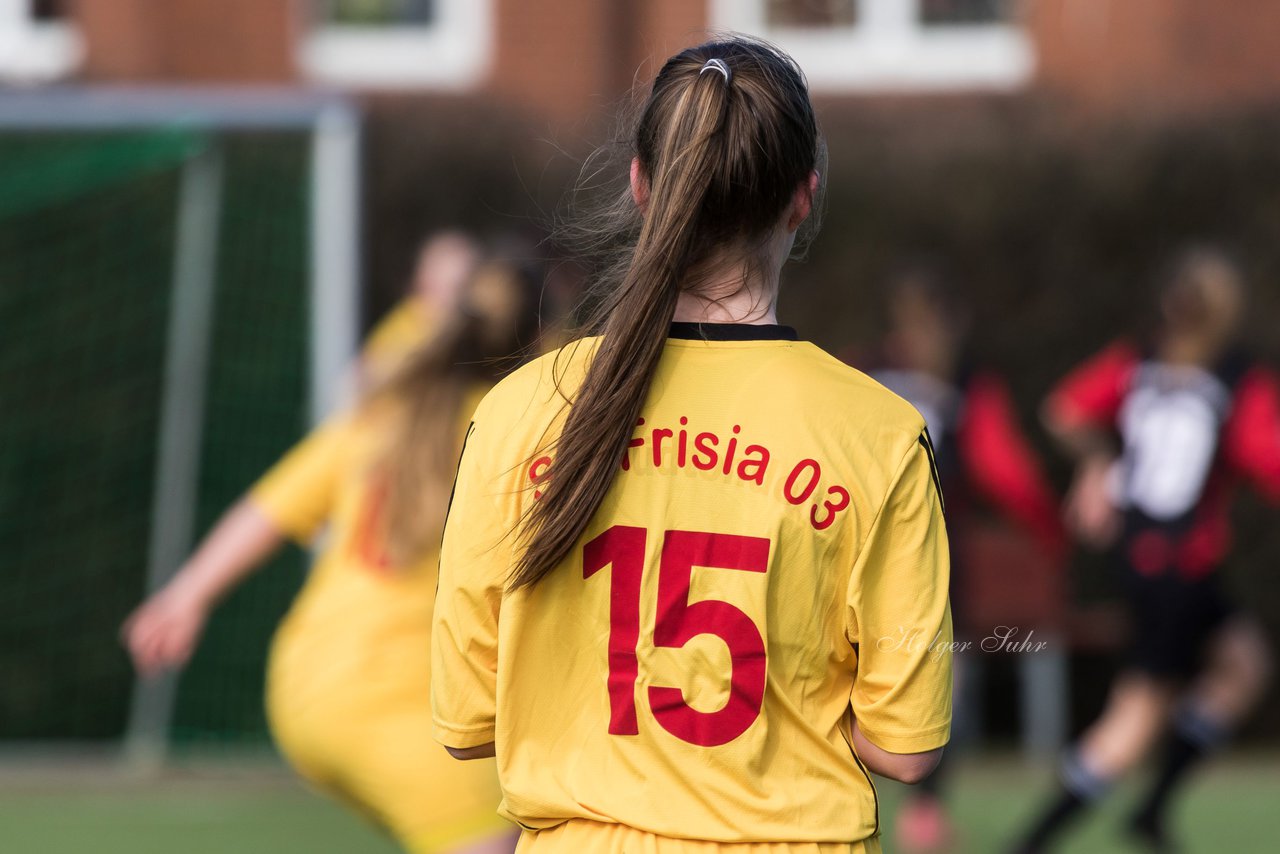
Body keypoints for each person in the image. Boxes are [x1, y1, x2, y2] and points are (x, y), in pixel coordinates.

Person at [431, 37, 953, 854]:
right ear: (803, 198)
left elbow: (467, 725)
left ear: (643, 186)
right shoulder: (879, 434)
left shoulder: (517, 413)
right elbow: (908, 746)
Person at [122, 258, 536, 854]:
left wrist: (184, 597)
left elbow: (268, 510)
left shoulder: (379, 421)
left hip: (305, 685)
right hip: (406, 709)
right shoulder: (516, 425)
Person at [1010, 248, 1279, 853]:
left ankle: (1152, 810)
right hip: (1179, 568)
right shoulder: (1235, 376)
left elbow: (1062, 408)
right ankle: (1028, 844)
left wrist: (1102, 462)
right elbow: (1270, 459)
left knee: (1244, 663)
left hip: (1148, 561)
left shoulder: (1139, 362)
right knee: (1133, 721)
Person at [865, 266, 1063, 853]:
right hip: (927, 555)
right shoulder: (967, 381)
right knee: (936, 684)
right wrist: (1051, 533)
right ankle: (923, 816)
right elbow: (1006, 470)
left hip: (850, 544)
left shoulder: (863, 368)